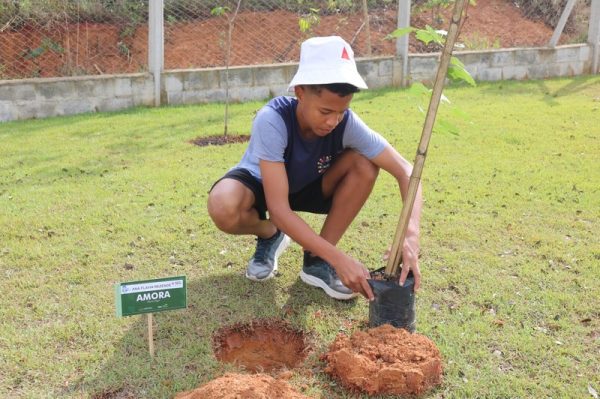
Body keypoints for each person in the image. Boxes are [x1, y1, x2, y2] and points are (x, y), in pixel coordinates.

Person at [208, 36, 422, 301]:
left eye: (342, 111)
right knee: (222, 204)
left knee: (365, 164)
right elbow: (279, 209)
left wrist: (410, 236)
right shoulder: (272, 120)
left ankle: (316, 261)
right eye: (325, 111)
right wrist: (340, 260)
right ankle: (271, 234)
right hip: (262, 186)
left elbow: (406, 171)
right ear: (300, 92)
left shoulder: (347, 123)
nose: (333, 121)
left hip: (310, 183)